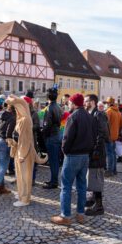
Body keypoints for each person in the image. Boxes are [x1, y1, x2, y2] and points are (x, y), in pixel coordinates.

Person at [51, 93, 94, 225]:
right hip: (85, 155)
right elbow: (94, 136)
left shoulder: (73, 117)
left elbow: (67, 138)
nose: (68, 104)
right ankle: (80, 214)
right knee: (81, 187)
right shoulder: (89, 116)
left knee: (66, 186)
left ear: (74, 103)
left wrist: (65, 151)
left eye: (69, 102)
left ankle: (65, 216)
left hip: (73, 156)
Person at [5, 95, 47, 207]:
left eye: (16, 107)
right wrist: (12, 142)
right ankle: (21, 194)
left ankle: (25, 199)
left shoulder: (25, 120)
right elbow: (19, 138)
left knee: (25, 176)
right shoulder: (22, 119)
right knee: (20, 175)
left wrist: (22, 153)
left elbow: (25, 139)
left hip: (24, 152)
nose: (15, 110)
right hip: (21, 150)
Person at [84, 94, 109, 216]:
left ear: (93, 102)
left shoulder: (98, 114)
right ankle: (92, 200)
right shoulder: (90, 113)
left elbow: (102, 133)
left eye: (87, 101)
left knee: (97, 178)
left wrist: (96, 150)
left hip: (97, 153)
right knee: (92, 178)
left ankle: (99, 206)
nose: (85, 103)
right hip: (92, 151)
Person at [0, 103, 16, 200]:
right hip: (4, 142)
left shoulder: (0, 114)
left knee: (1, 165)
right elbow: (9, 133)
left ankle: (1, 188)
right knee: (3, 167)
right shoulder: (13, 118)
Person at [42, 88, 62, 189]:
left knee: (53, 160)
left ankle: (54, 182)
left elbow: (47, 124)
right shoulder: (58, 107)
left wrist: (42, 133)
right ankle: (53, 180)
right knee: (55, 160)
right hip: (57, 134)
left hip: (52, 136)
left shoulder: (50, 108)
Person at [105, 98, 122, 177]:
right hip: (115, 135)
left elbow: (105, 124)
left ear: (109, 103)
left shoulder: (108, 111)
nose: (106, 104)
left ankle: (109, 170)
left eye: (107, 103)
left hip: (108, 136)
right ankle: (114, 170)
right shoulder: (118, 112)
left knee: (109, 154)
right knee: (113, 153)